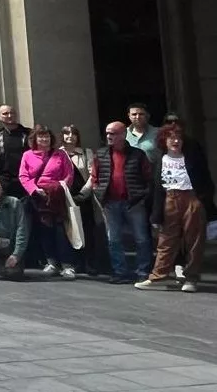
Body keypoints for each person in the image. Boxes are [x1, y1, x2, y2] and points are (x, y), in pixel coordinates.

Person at [137, 123, 211, 293]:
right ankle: (157, 276)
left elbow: (206, 180)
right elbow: (156, 188)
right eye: (171, 138)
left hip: (191, 197)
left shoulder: (192, 157)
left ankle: (191, 278)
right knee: (166, 239)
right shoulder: (161, 159)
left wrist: (202, 201)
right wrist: (156, 215)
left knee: (194, 240)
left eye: (179, 138)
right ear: (164, 140)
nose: (176, 141)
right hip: (169, 199)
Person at [91, 121, 155, 284]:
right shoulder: (101, 154)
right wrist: (99, 193)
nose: (109, 136)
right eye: (107, 133)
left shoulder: (138, 154)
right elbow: (95, 177)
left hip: (134, 203)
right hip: (111, 203)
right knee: (114, 239)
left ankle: (143, 271)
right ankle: (120, 272)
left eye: (112, 133)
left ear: (123, 134)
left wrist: (142, 197)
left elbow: (148, 178)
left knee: (141, 238)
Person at [19, 124, 77, 278]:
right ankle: (51, 262)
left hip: (57, 196)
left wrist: (61, 187)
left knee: (61, 231)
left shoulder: (60, 154)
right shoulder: (27, 155)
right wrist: (34, 189)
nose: (44, 139)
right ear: (35, 139)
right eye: (41, 136)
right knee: (44, 230)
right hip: (38, 197)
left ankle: (67, 265)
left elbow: (69, 174)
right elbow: (24, 176)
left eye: (47, 136)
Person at [59, 124, 101, 276]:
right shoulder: (58, 154)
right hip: (67, 198)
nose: (70, 137)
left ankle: (89, 263)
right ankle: (74, 263)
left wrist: (84, 193)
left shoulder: (86, 152)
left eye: (73, 134)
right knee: (71, 230)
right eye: (67, 134)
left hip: (85, 197)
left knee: (88, 230)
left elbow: (93, 174)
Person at [0, 105, 31, 201]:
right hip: (4, 182)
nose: (9, 115)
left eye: (12, 113)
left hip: (26, 181)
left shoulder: (29, 134)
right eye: (5, 113)